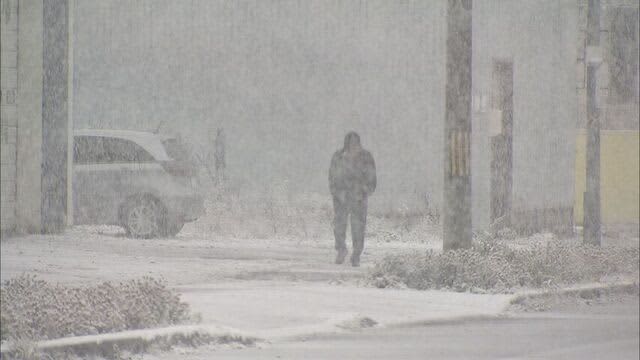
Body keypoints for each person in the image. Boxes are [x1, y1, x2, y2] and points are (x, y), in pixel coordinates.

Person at [328, 131, 376, 266]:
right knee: (339, 226)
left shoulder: (366, 157)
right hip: (341, 196)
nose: (353, 144)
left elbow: (372, 176)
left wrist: (365, 191)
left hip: (359, 197)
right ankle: (341, 250)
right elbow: (332, 176)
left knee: (358, 227)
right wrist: (336, 192)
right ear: (346, 142)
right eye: (350, 141)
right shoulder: (338, 157)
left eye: (355, 141)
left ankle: (356, 254)